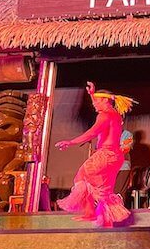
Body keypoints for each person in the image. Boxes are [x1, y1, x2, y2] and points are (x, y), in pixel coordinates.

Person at [55, 82, 135, 227]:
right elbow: (100, 105)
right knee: (103, 188)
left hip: (106, 154)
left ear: (105, 100)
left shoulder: (104, 116)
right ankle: (105, 218)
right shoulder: (114, 114)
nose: (94, 105)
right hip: (115, 157)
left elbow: (92, 132)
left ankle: (92, 213)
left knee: (82, 178)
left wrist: (71, 142)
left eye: (97, 101)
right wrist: (92, 94)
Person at [116, 127, 133, 199]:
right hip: (108, 168)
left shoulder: (127, 134)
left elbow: (126, 149)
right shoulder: (105, 134)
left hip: (122, 166)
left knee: (119, 194)